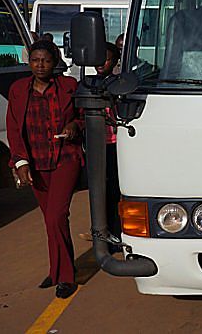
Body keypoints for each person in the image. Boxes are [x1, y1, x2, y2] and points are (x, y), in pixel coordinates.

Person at [6, 40, 83, 299]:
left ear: (55, 62)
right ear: (29, 62)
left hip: (65, 159)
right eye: (35, 60)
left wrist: (75, 125)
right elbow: (14, 129)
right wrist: (20, 162)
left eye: (46, 60)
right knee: (50, 220)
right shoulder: (18, 90)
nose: (40, 65)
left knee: (56, 216)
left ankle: (65, 277)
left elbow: (84, 116)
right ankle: (58, 268)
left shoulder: (69, 87)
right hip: (35, 163)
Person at [79, 43, 122, 250]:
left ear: (114, 61)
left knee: (115, 191)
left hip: (114, 145)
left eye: (106, 59)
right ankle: (102, 232)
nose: (101, 63)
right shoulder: (88, 83)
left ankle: (115, 233)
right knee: (98, 192)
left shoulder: (120, 83)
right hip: (96, 146)